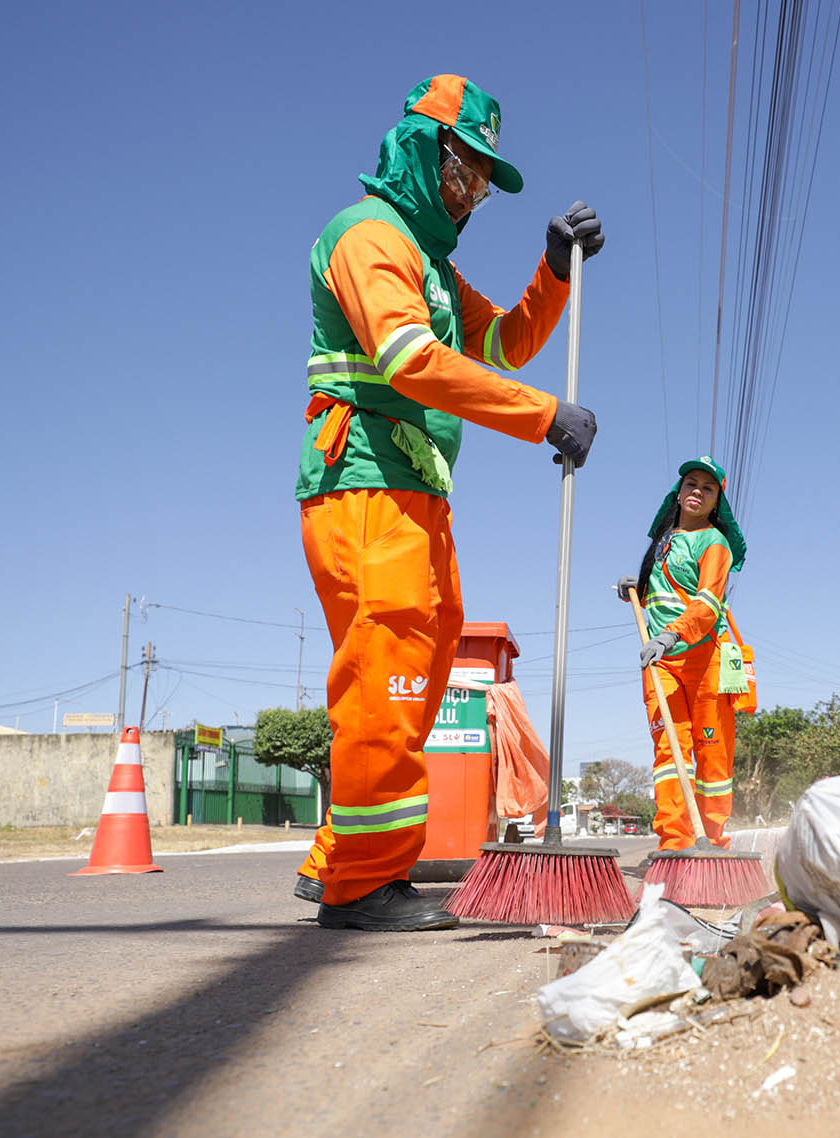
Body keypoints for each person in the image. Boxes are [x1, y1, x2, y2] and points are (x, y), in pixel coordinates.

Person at [291, 74, 604, 931]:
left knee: (414, 679)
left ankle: (339, 858)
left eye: (479, 181)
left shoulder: (431, 265)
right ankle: (360, 884)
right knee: (386, 679)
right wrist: (543, 416)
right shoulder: (367, 237)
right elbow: (409, 361)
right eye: (460, 170)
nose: (468, 194)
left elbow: (505, 341)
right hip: (364, 482)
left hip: (414, 493)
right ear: (420, 151)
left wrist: (551, 271)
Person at [616, 456, 749, 851]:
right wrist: (636, 589)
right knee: (669, 752)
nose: (697, 492)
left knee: (711, 751)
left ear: (715, 502)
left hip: (705, 657)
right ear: (679, 493)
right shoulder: (662, 542)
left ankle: (713, 841)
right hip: (661, 661)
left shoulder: (715, 543)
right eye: (691, 483)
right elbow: (662, 597)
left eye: (707, 488)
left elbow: (707, 604)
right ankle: (674, 844)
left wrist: (671, 636)